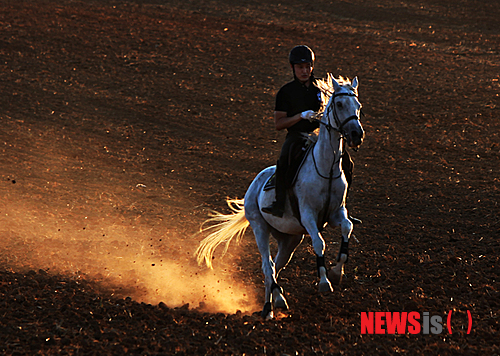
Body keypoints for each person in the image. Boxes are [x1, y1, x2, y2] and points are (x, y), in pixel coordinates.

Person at [262, 45, 360, 224]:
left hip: (319, 136)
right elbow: (279, 124)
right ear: (292, 68)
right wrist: (300, 116)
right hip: (297, 135)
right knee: (285, 159)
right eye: (300, 67)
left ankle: (341, 206)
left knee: (347, 162)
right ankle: (279, 202)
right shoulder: (286, 92)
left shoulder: (322, 91)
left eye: (308, 66)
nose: (305, 71)